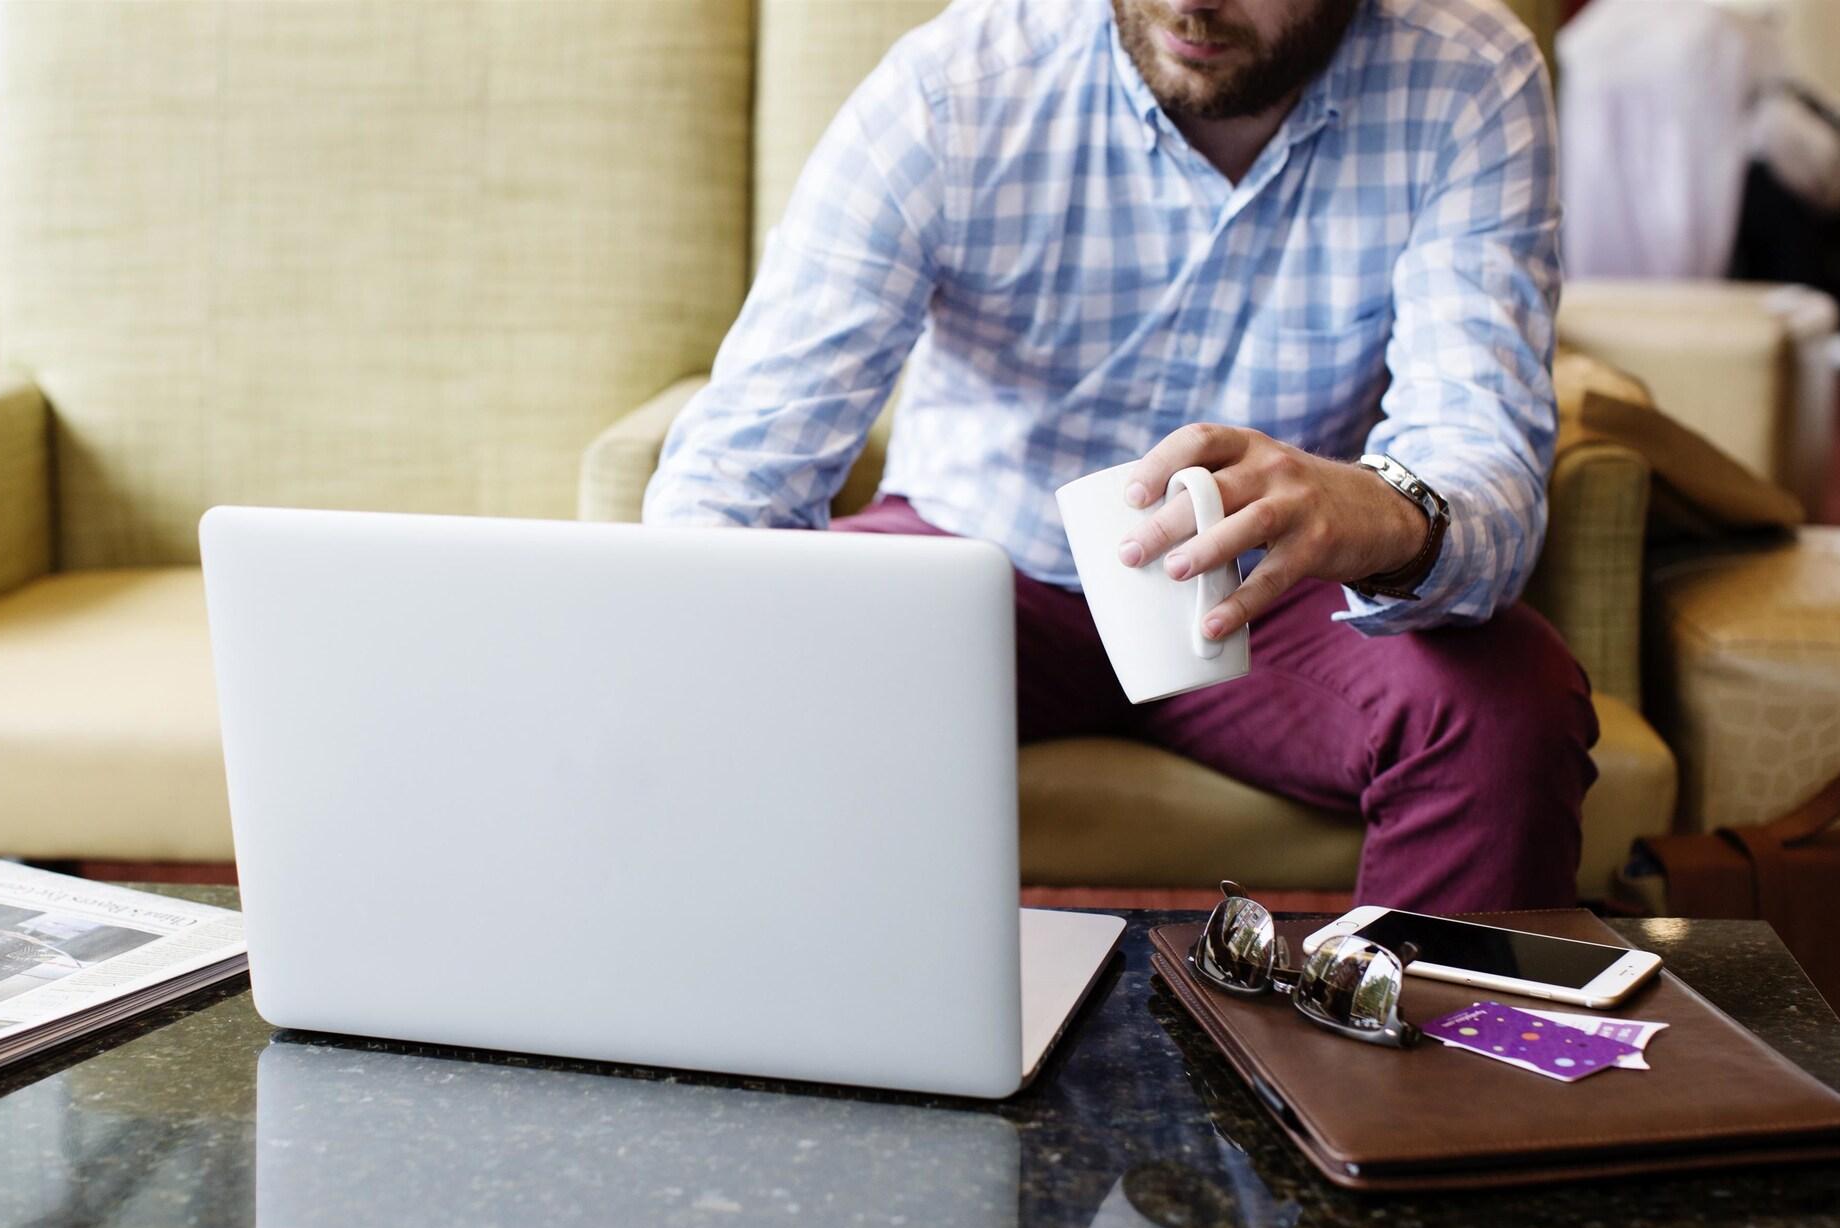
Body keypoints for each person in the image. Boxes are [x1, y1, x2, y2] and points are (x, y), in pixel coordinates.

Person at [645, 0, 1596, 912]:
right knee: (737, 663)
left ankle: (1417, 1080)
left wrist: (1378, 510)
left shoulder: (1468, 78)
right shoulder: (957, 86)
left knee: (1504, 710)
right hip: (980, 565)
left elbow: (1479, 448)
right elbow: (742, 470)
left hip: (1270, 595)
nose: (1188, 3)